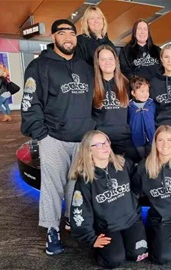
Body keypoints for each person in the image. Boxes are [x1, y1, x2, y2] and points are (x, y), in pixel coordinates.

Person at [20, 19, 95, 255]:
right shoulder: (39, 66)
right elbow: (30, 103)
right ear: (53, 37)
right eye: (63, 33)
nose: (68, 38)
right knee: (52, 187)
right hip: (53, 137)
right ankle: (52, 229)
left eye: (72, 33)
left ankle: (70, 218)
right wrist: (41, 134)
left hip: (81, 138)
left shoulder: (84, 66)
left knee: (75, 186)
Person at [69, 130, 148, 268]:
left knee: (138, 254)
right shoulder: (85, 179)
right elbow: (81, 211)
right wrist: (90, 238)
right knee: (114, 260)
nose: (104, 147)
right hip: (108, 226)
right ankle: (104, 252)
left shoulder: (123, 163)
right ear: (89, 150)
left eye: (105, 142)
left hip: (131, 220)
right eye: (98, 145)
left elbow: (138, 184)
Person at [132, 125, 171, 265]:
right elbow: (134, 190)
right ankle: (155, 237)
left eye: (169, 140)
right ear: (155, 143)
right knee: (163, 258)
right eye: (160, 140)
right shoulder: (144, 167)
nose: (165, 144)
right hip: (161, 218)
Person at [92, 45, 140, 163]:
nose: (107, 62)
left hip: (124, 138)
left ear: (116, 60)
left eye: (110, 59)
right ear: (97, 62)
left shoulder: (127, 83)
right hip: (101, 140)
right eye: (103, 59)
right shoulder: (91, 85)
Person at [128, 76, 156, 159]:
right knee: (141, 158)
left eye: (147, 91)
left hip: (152, 138)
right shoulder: (129, 106)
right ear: (133, 93)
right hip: (137, 139)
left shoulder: (152, 104)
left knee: (151, 158)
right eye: (142, 91)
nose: (146, 94)